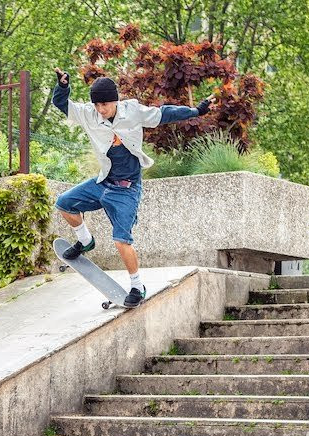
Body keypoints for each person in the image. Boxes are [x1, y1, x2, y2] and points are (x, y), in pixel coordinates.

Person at [52, 68, 212, 307]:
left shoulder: (133, 111)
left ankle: (137, 286)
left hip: (126, 189)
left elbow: (163, 114)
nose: (100, 110)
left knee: (121, 241)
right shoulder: (89, 113)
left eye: (105, 105)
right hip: (102, 182)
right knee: (64, 203)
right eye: (97, 105)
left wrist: (196, 110)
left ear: (115, 101)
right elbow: (62, 104)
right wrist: (63, 87)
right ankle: (85, 241)